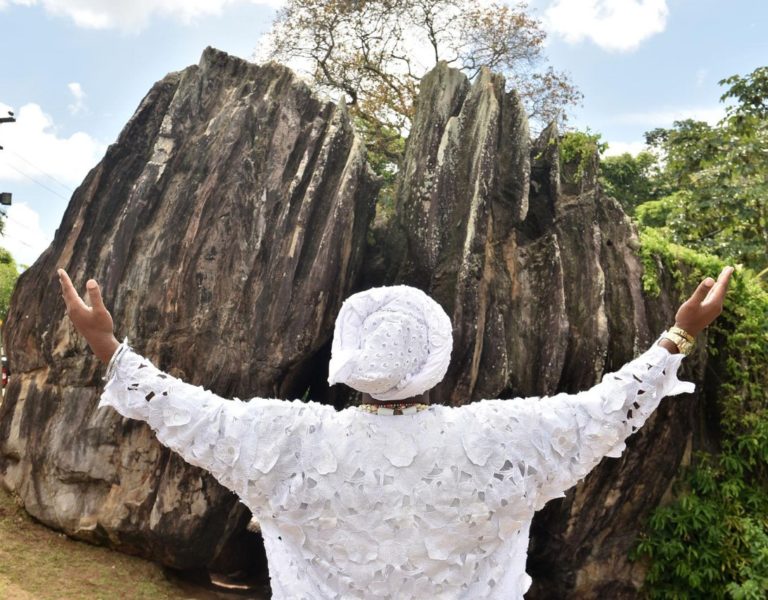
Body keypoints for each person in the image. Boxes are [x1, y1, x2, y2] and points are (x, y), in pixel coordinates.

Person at [57, 266, 734, 599]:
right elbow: (603, 411)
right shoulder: (504, 436)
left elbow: (190, 413)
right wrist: (678, 335)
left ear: (349, 362)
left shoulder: (287, 437)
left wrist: (110, 348)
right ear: (438, 356)